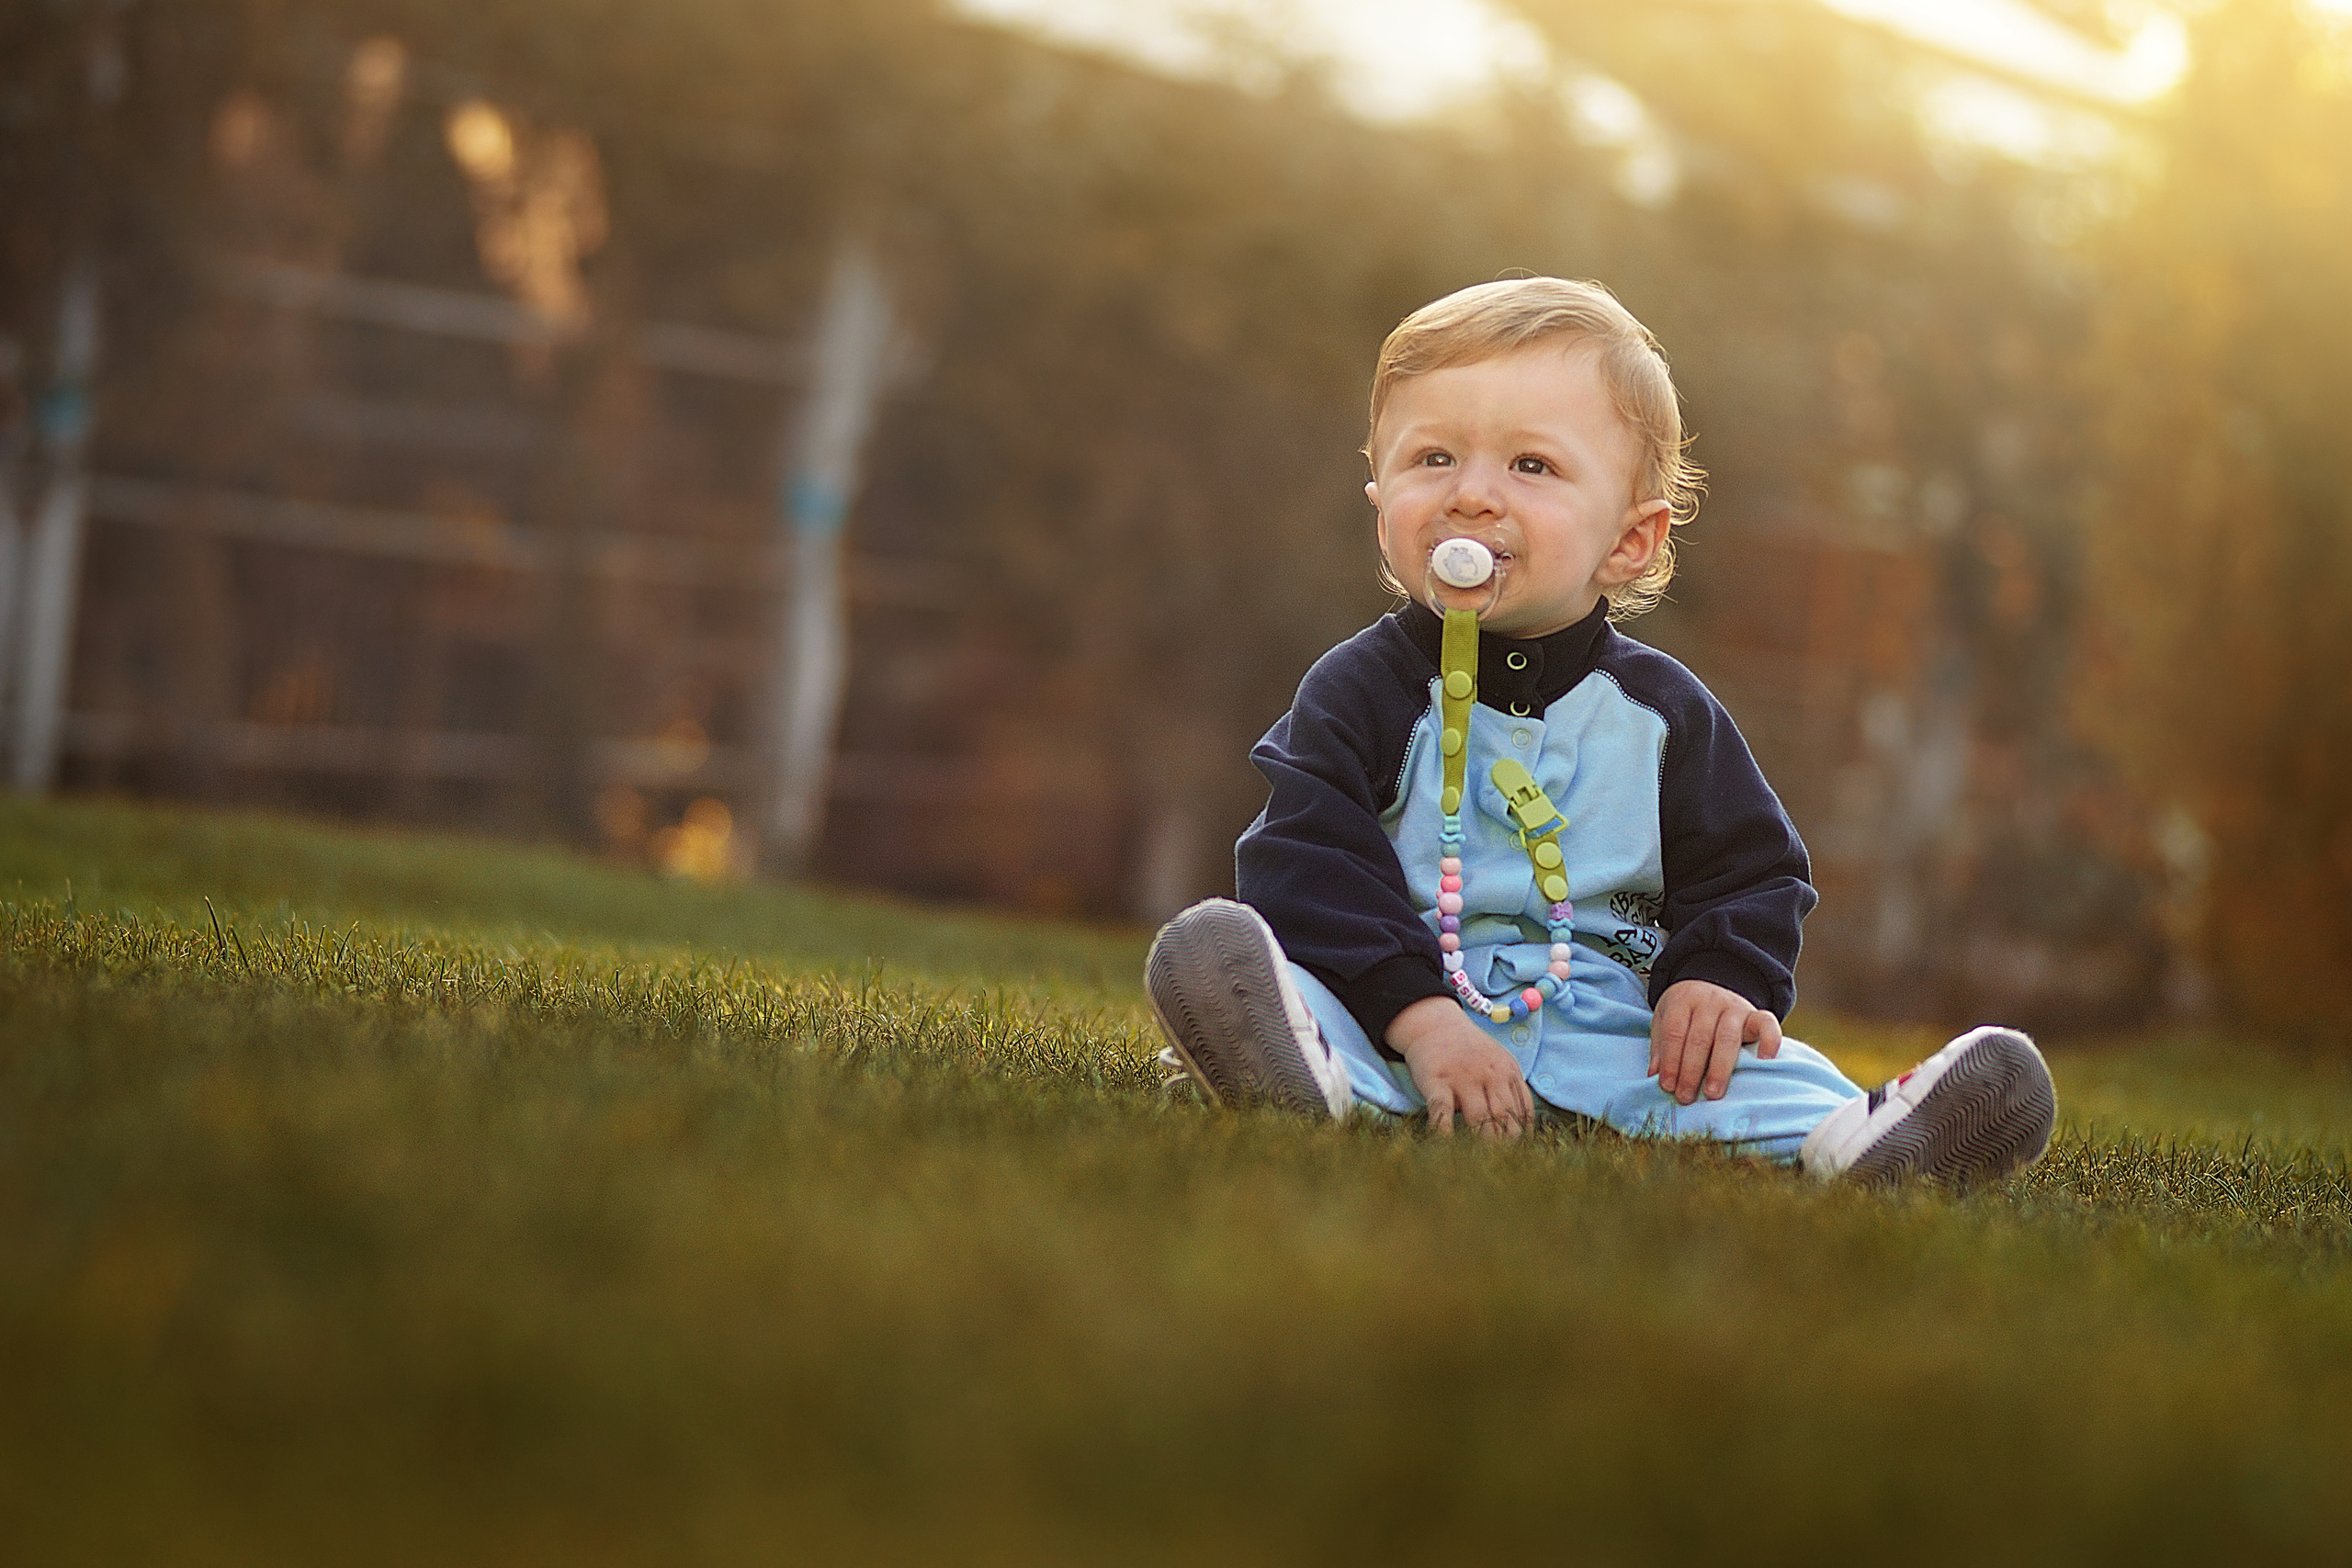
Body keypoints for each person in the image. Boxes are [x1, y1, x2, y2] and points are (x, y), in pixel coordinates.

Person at [1146, 276, 2055, 1185]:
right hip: (1393, 1010)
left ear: (1629, 541)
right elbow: (1307, 862)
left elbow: (1750, 868)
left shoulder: (1663, 716)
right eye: (1432, 460)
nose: (1470, 496)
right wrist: (1422, 1020)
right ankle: (1302, 1066)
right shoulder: (1360, 689)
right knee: (1279, 977)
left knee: (1753, 1078)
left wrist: (1715, 981)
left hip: (1615, 1036)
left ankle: (1868, 1142)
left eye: (1529, 466)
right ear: (1381, 501)